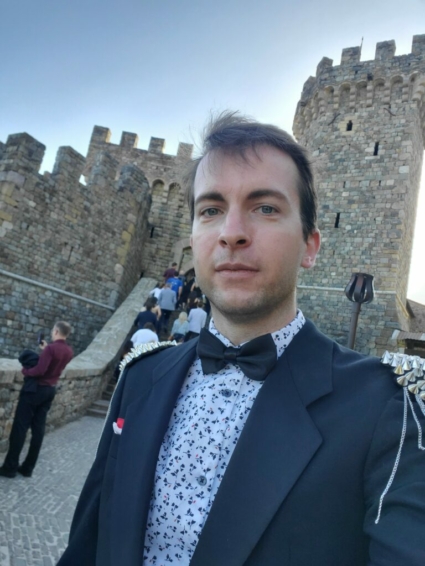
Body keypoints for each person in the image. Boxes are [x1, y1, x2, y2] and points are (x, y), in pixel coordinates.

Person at [58, 112, 425, 566]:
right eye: (211, 210)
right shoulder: (140, 377)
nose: (232, 233)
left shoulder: (383, 407)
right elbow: (85, 549)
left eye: (265, 208)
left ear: (310, 246)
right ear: (192, 236)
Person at [0, 321, 73, 479]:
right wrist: (45, 350)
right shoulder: (68, 351)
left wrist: (25, 370)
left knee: (20, 428)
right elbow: (54, 364)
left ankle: (10, 467)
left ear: (56, 331)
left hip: (35, 390)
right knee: (38, 430)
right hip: (50, 390)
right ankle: (28, 468)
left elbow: (40, 370)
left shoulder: (52, 349)